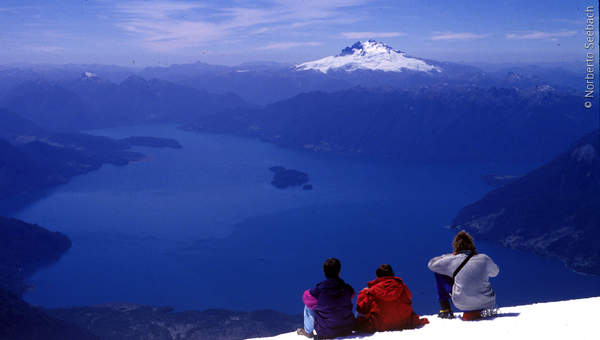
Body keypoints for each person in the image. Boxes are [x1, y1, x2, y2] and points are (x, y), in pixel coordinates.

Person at [428, 230, 499, 320]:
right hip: (488, 302)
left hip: (462, 303)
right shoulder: (484, 258)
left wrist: (449, 256)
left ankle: (445, 309)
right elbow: (495, 272)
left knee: (439, 272)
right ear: (472, 245)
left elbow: (431, 264)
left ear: (455, 247)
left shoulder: (451, 260)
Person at [356, 264, 429, 333]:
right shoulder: (402, 286)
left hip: (379, 325)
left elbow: (361, 309)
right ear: (392, 274)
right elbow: (409, 297)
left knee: (359, 319)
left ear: (378, 276)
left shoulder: (371, 290)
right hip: (404, 322)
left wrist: (363, 293)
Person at [297, 258, 355, 339]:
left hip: (326, 332)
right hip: (347, 329)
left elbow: (305, 298)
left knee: (309, 305)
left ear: (324, 272)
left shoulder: (320, 290)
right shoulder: (347, 288)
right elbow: (352, 295)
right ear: (339, 272)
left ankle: (308, 332)